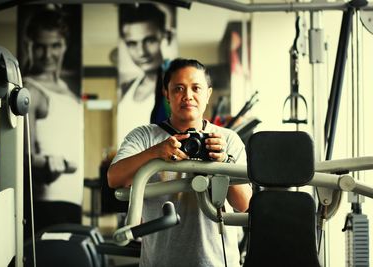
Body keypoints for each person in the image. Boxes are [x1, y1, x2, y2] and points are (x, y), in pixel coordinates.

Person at [108, 58, 252, 267]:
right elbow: (114, 178)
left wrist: (223, 163)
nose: (188, 96)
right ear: (166, 93)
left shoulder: (227, 140)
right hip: (160, 261)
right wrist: (155, 153)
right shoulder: (144, 137)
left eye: (196, 88)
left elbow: (245, 204)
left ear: (208, 94)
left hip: (217, 262)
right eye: (178, 89)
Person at [22, 6, 83, 237]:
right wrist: (51, 163)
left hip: (71, 198)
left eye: (55, 45)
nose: (48, 55)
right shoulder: (31, 90)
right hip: (46, 202)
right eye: (40, 46)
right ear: (30, 45)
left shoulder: (68, 91)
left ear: (65, 45)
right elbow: (23, 158)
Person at [117, 3, 172, 145]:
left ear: (163, 37)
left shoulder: (176, 87)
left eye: (149, 40)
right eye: (132, 44)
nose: (141, 52)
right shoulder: (127, 87)